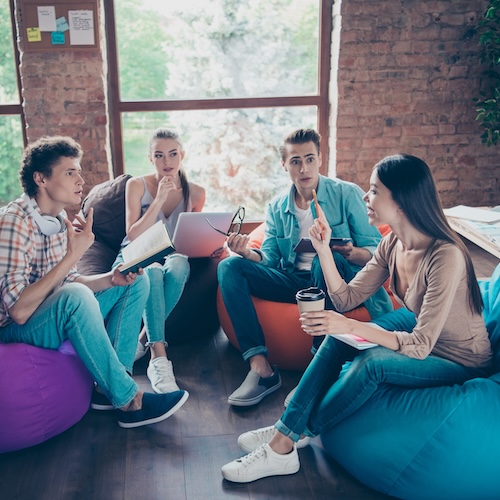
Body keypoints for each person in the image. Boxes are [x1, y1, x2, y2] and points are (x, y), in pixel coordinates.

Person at [220, 154, 493, 483]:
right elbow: (346, 298)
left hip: (458, 358)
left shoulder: (444, 256)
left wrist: (348, 325)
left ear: (402, 200)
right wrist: (323, 250)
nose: (366, 197)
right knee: (338, 337)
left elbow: (420, 346)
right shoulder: (392, 242)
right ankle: (289, 431)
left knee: (373, 363)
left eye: (375, 190)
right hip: (427, 342)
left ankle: (284, 441)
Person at [0, 136, 189, 429]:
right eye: (70, 172)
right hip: (15, 330)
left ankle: (111, 386)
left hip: (50, 314)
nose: (81, 179)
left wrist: (112, 279)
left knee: (134, 282)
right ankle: (130, 401)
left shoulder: (59, 220)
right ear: (41, 179)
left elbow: (73, 280)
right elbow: (19, 311)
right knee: (74, 295)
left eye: (79, 171)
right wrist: (74, 253)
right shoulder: (15, 222)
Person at [217, 128, 393, 407]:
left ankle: (317, 368)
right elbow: (272, 259)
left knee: (327, 261)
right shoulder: (277, 206)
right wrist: (246, 253)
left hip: (336, 281)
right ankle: (260, 368)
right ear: (284, 165)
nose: (304, 168)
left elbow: (378, 251)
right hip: (293, 281)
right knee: (229, 268)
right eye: (296, 161)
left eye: (310, 159)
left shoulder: (347, 194)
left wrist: (353, 252)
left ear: (320, 159)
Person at [114, 128, 206, 394]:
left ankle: (143, 337)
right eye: (159, 155)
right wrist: (159, 200)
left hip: (173, 254)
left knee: (179, 266)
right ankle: (158, 356)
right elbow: (132, 234)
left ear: (182, 155)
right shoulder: (136, 185)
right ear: (150, 158)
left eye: (173, 154)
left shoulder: (196, 192)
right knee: (153, 272)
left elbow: (191, 235)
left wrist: (211, 247)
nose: (167, 161)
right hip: (137, 252)